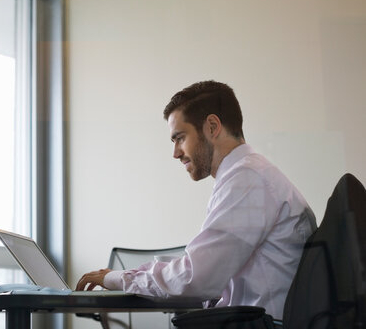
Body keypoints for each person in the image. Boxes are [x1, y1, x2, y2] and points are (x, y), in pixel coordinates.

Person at [75, 80, 317, 319]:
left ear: (212, 126)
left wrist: (118, 279)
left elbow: (196, 278)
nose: (175, 153)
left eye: (179, 138)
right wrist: (129, 276)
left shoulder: (247, 179)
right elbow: (200, 270)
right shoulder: (247, 175)